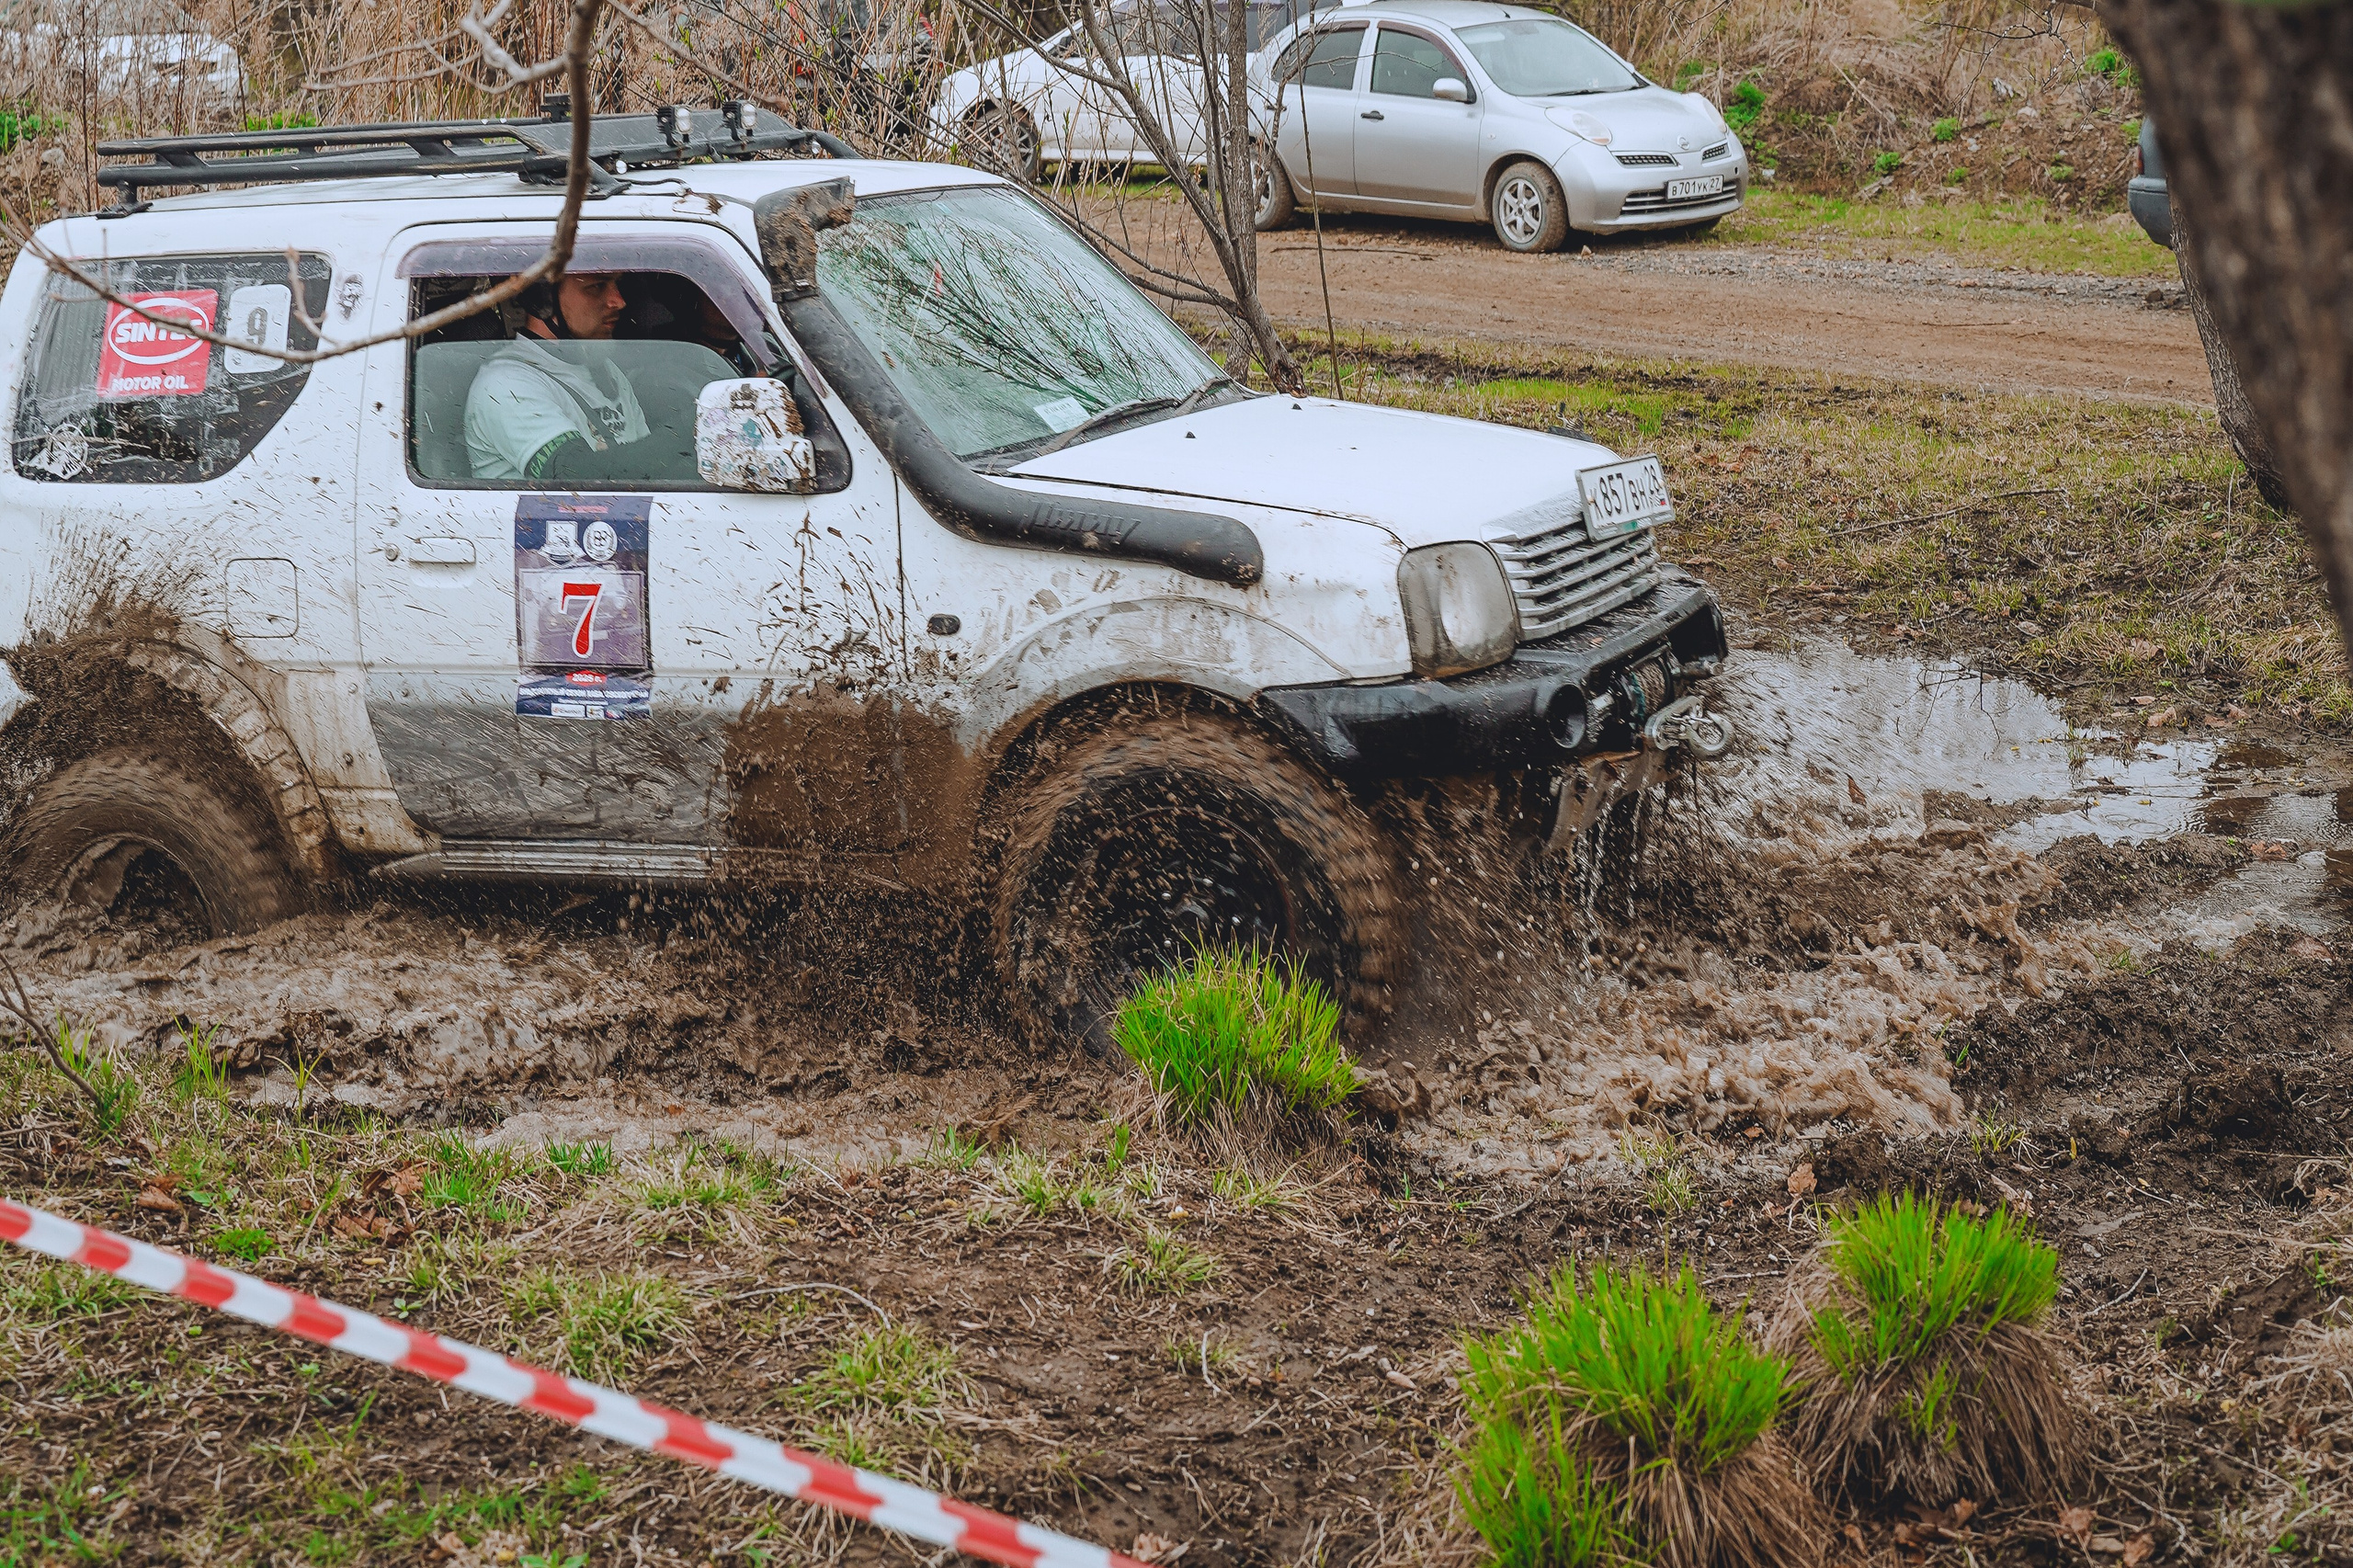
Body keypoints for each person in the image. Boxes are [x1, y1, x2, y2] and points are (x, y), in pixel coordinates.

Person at [465, 271, 697, 483]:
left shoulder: (604, 368)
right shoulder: (505, 384)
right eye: (596, 287)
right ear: (542, 300)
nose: (619, 301)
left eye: (617, 285)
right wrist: (694, 426)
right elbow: (575, 479)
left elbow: (651, 470)